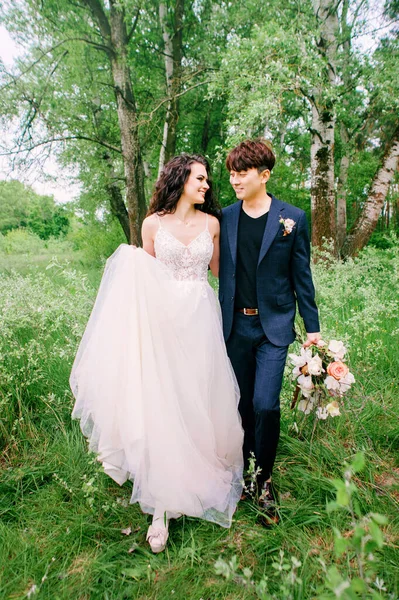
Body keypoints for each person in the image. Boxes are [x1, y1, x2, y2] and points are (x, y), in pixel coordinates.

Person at [70, 154, 244, 554]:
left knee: (197, 400)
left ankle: (195, 473)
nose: (206, 185)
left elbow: (223, 274)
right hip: (162, 322)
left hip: (200, 321)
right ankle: (161, 508)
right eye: (200, 179)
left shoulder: (212, 225)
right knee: (163, 404)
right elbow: (142, 278)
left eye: (207, 181)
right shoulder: (152, 224)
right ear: (181, 179)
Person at [218, 139, 321, 525]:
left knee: (266, 405)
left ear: (265, 175)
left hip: (274, 327)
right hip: (234, 326)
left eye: (241, 172)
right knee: (241, 406)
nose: (233, 179)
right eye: (230, 172)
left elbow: (302, 277)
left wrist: (312, 329)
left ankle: (265, 481)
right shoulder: (225, 217)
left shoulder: (291, 218)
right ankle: (245, 474)